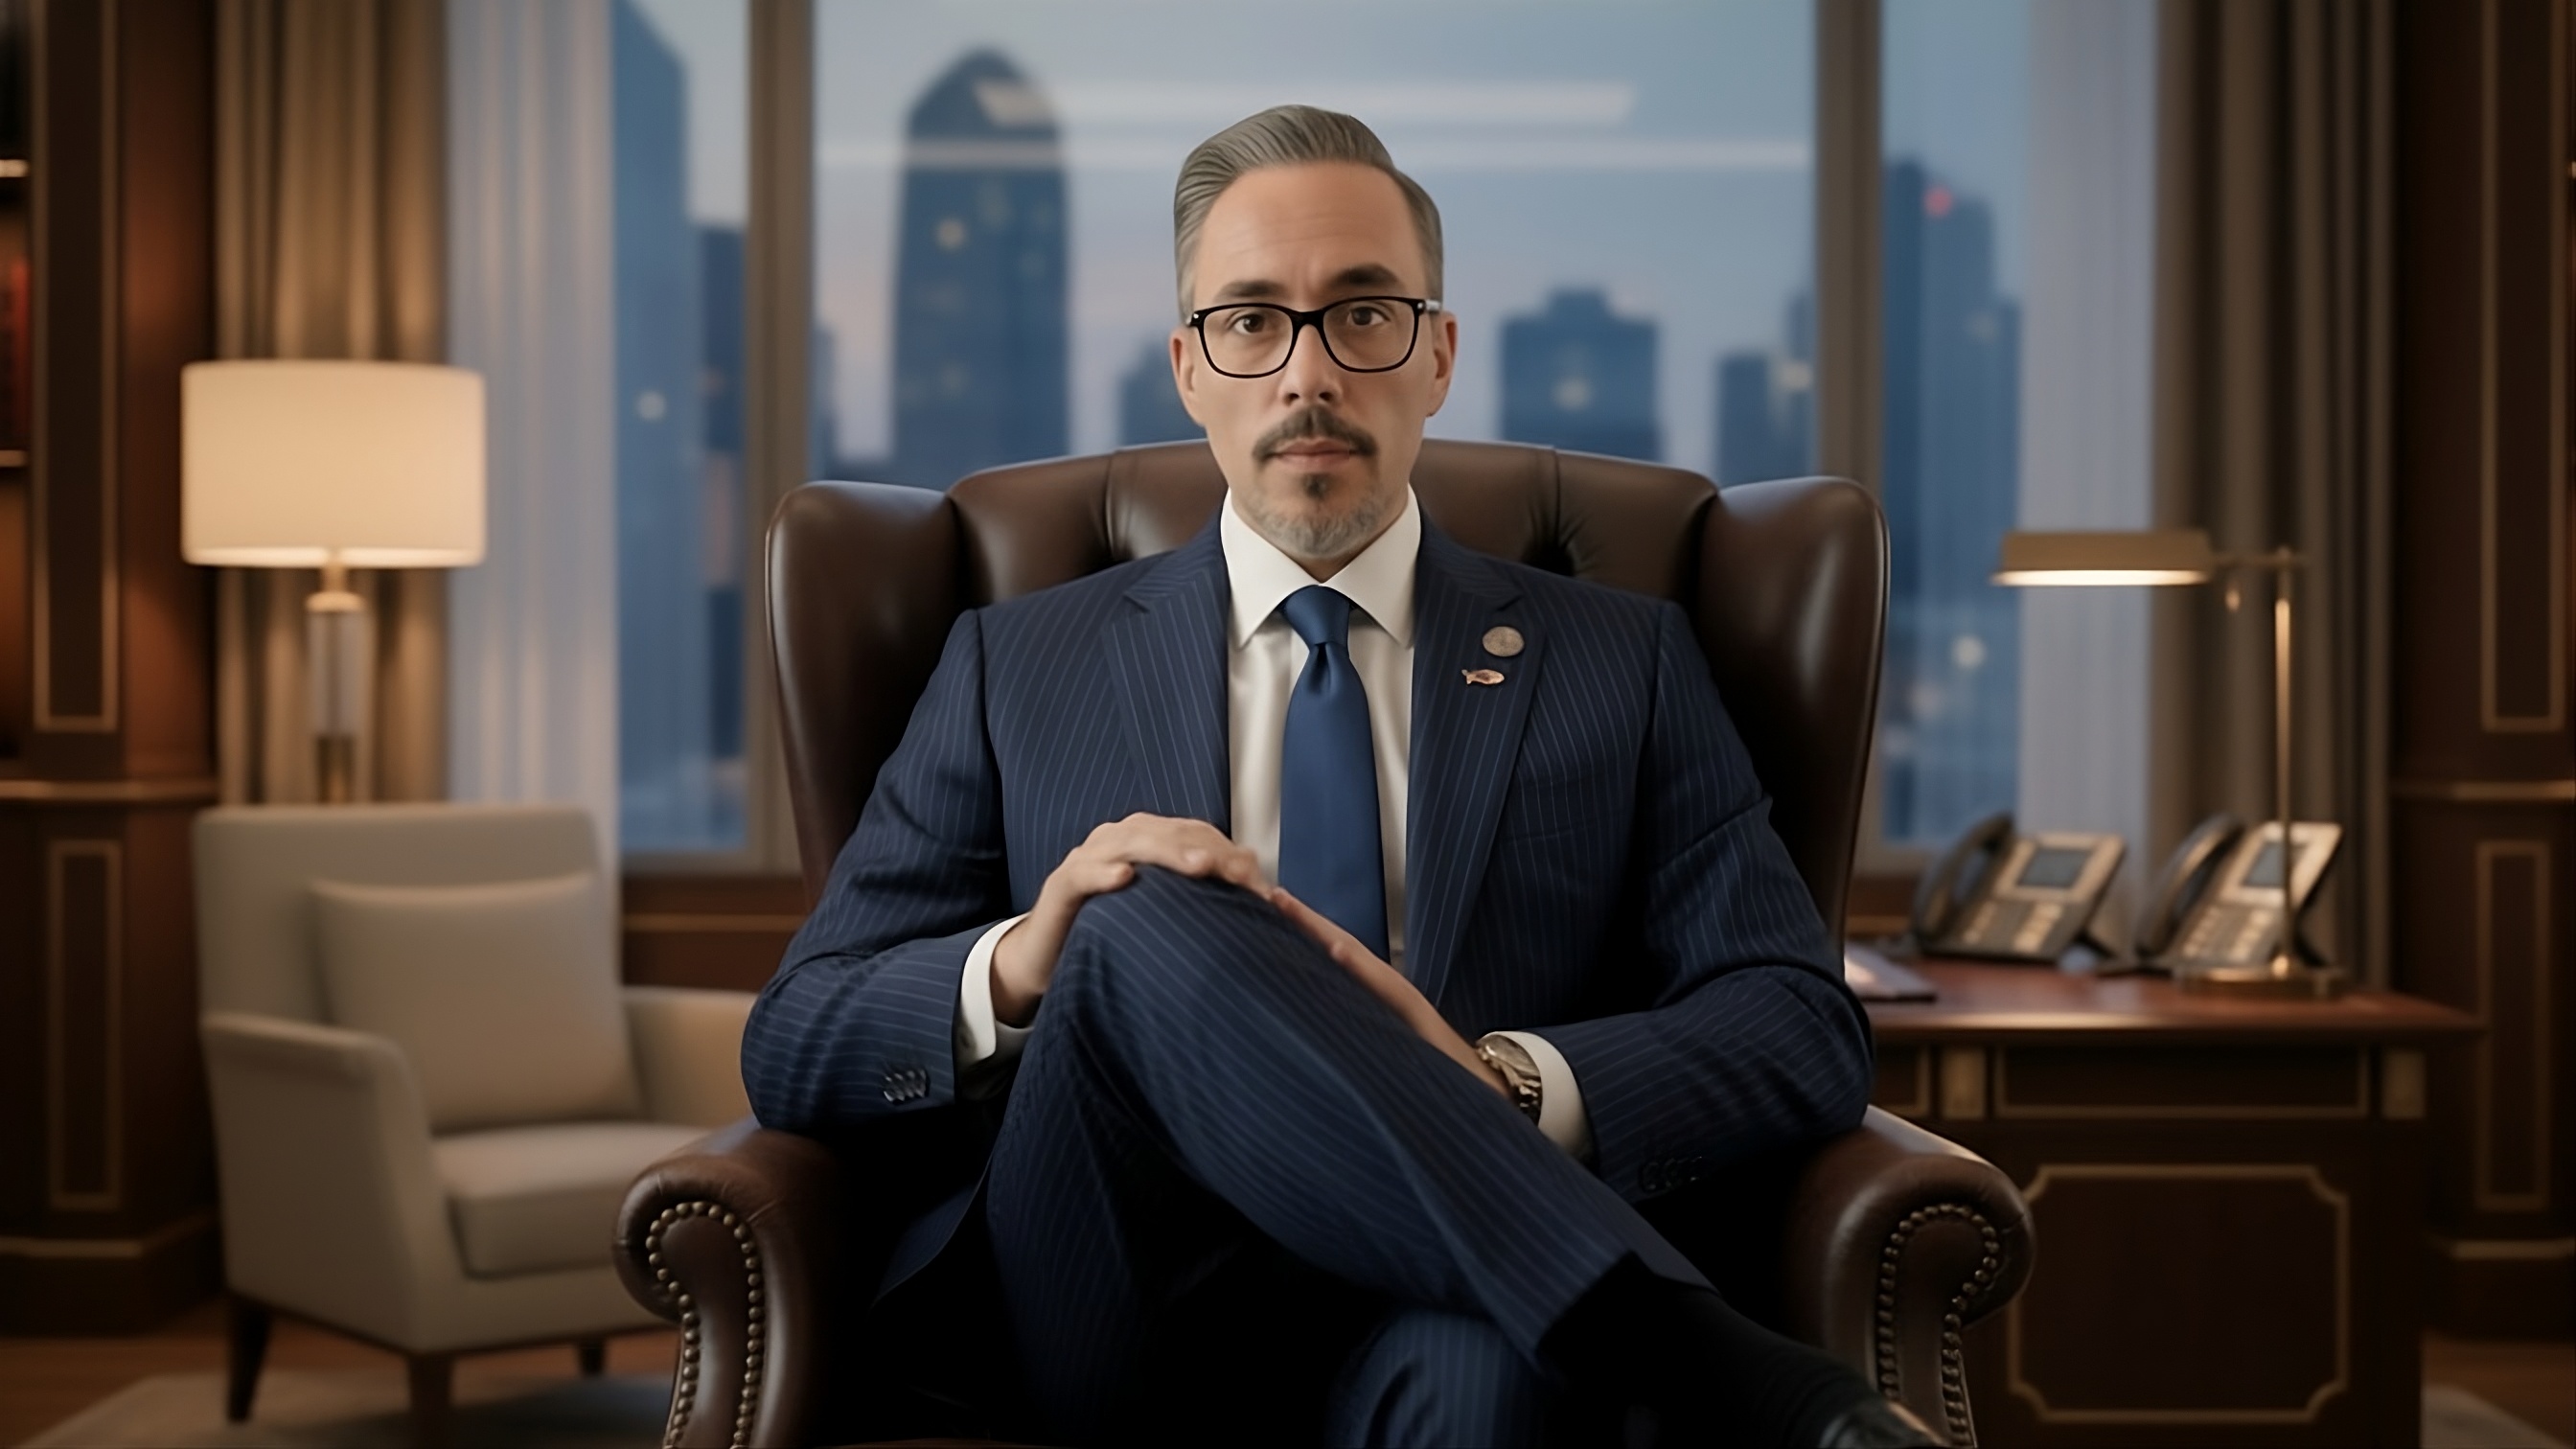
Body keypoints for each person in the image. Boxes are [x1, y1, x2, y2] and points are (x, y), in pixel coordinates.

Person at [743, 105, 1934, 1448]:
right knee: (1140, 906)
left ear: (1439, 356)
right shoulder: (1014, 665)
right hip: (1116, 1290)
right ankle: (1706, 1361)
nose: (1308, 374)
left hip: (1456, 1292)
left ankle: (1614, 1323)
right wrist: (1031, 956)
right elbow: (796, 1036)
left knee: (1496, 1386)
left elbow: (1795, 1020)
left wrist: (1508, 1085)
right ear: (1189, 370)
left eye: (1363, 315)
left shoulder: (1624, 662)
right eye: (1252, 321)